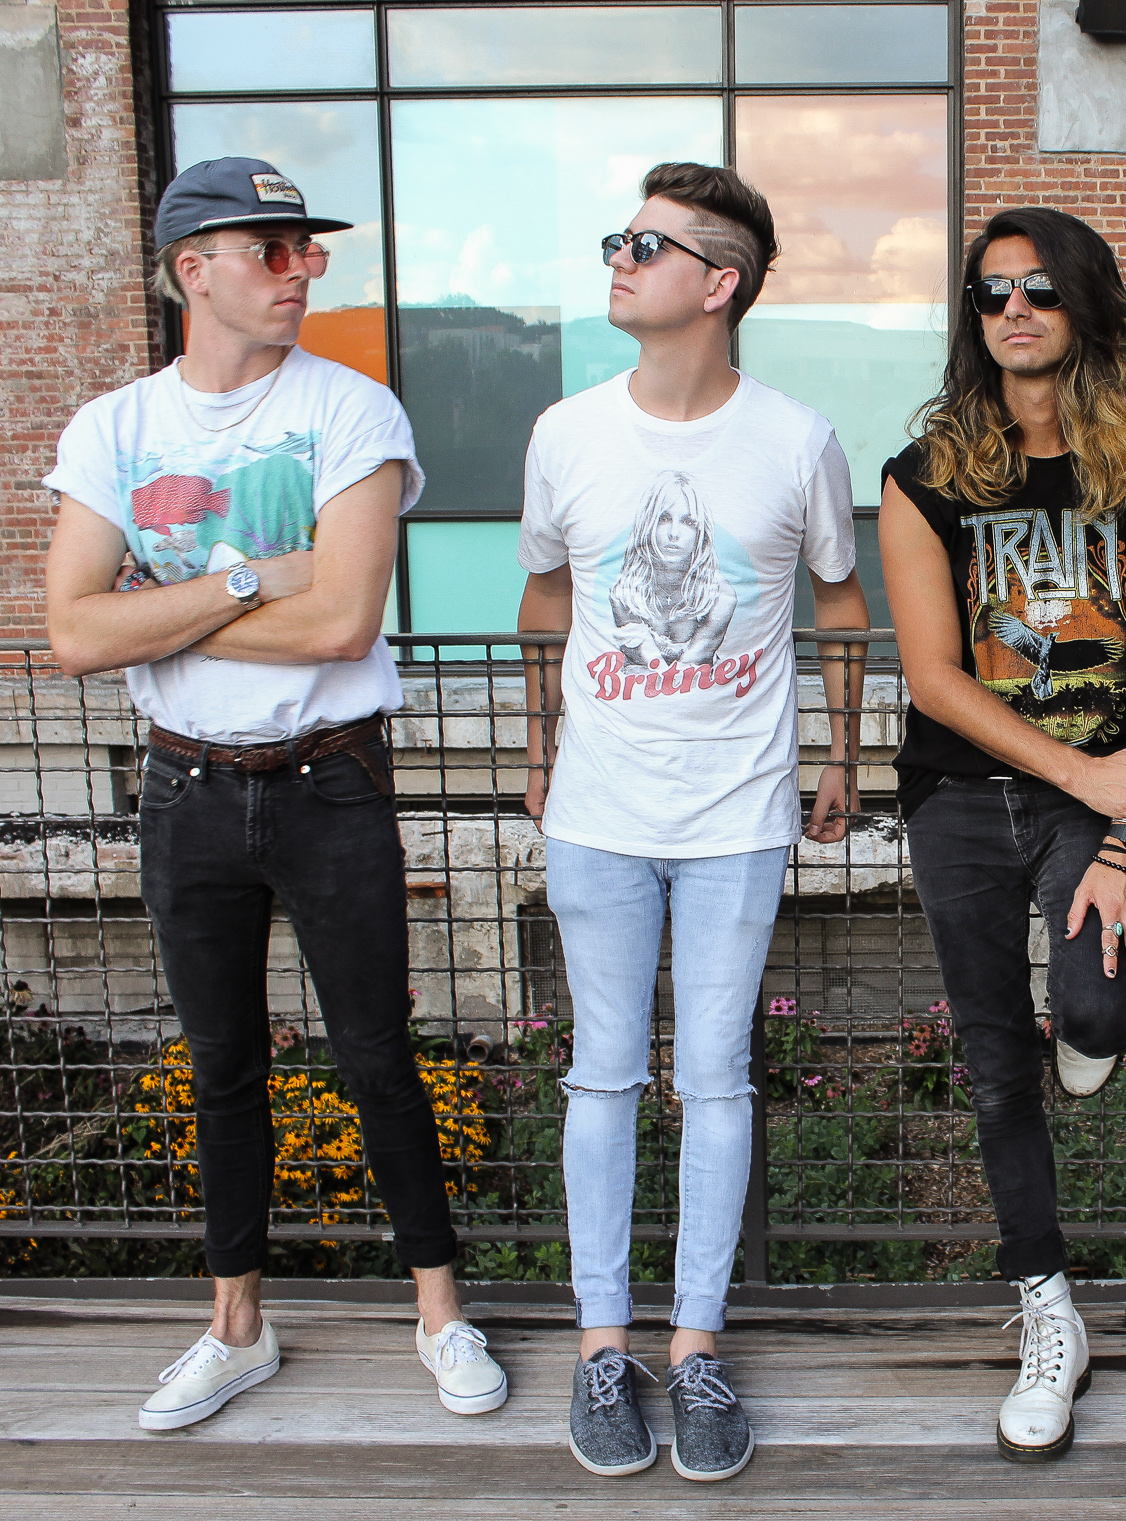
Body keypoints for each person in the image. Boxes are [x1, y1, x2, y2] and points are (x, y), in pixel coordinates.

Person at [42, 158, 506, 1429]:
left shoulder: (352, 410)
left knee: (377, 1054)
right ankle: (236, 1328)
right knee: (220, 1064)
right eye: (273, 248)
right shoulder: (114, 430)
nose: (303, 269)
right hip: (183, 786)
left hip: (328, 777)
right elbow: (72, 635)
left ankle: (441, 1312)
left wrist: (158, 613)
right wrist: (254, 580)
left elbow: (343, 621)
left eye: (309, 248)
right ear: (193, 270)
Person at [517, 161, 868, 1483]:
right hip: (599, 812)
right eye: (619, 238)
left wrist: (842, 752)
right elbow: (547, 599)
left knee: (716, 1076)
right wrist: (538, 750)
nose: (619, 258)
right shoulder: (565, 434)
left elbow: (840, 601)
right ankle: (602, 1347)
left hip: (736, 816)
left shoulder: (796, 439)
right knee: (602, 1075)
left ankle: (698, 1345)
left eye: (646, 244)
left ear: (719, 284)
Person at [879, 207, 1126, 1461]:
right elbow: (933, 676)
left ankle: (1092, 1031)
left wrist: (1122, 833)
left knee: (1098, 1011)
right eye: (989, 293)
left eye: (1037, 290)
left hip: (1094, 805)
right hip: (959, 798)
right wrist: (1085, 771)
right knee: (991, 1061)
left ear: (1086, 305)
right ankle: (1046, 1308)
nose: (1012, 310)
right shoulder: (924, 476)